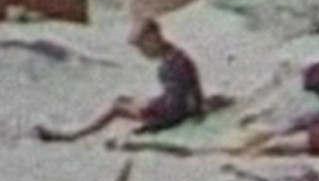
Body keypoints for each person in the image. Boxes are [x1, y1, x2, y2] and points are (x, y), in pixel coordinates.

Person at [34, 17, 205, 143]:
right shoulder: (175, 57)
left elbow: (177, 103)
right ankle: (80, 129)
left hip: (172, 114)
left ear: (153, 39)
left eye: (142, 47)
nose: (142, 53)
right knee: (123, 99)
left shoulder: (172, 63)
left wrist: (152, 116)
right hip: (173, 108)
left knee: (116, 109)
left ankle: (73, 135)